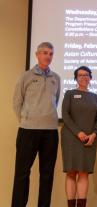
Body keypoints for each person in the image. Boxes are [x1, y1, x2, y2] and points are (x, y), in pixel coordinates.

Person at [12, 42, 60, 207]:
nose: (48, 56)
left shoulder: (56, 78)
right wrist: (27, 119)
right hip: (28, 131)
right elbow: (17, 103)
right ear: (37, 54)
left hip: (50, 133)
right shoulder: (26, 76)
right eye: (45, 53)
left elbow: (55, 101)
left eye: (51, 53)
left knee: (47, 175)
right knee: (22, 174)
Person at [61, 66, 97, 207]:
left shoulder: (95, 97)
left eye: (87, 75)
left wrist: (94, 134)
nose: (84, 77)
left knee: (84, 173)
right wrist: (78, 132)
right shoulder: (70, 94)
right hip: (71, 138)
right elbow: (65, 116)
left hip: (89, 140)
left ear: (90, 77)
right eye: (80, 75)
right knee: (71, 172)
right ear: (76, 78)